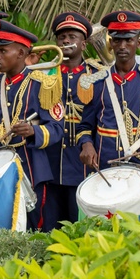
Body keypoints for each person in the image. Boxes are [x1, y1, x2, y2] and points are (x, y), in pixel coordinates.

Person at [0, 20, 64, 230]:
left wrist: (34, 131)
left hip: (30, 166)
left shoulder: (43, 84)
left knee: (34, 224)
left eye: (3, 51)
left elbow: (57, 128)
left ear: (21, 53)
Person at [78, 11, 140, 185]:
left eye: (129, 40)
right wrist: (86, 145)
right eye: (118, 40)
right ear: (110, 43)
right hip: (105, 170)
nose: (122, 46)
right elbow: (85, 127)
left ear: (139, 42)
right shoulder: (96, 82)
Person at [42, 11, 100, 225]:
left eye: (72, 37)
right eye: (61, 37)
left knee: (81, 223)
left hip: (82, 159)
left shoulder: (97, 74)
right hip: (51, 160)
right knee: (50, 225)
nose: (65, 40)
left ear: (84, 44)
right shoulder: (45, 74)